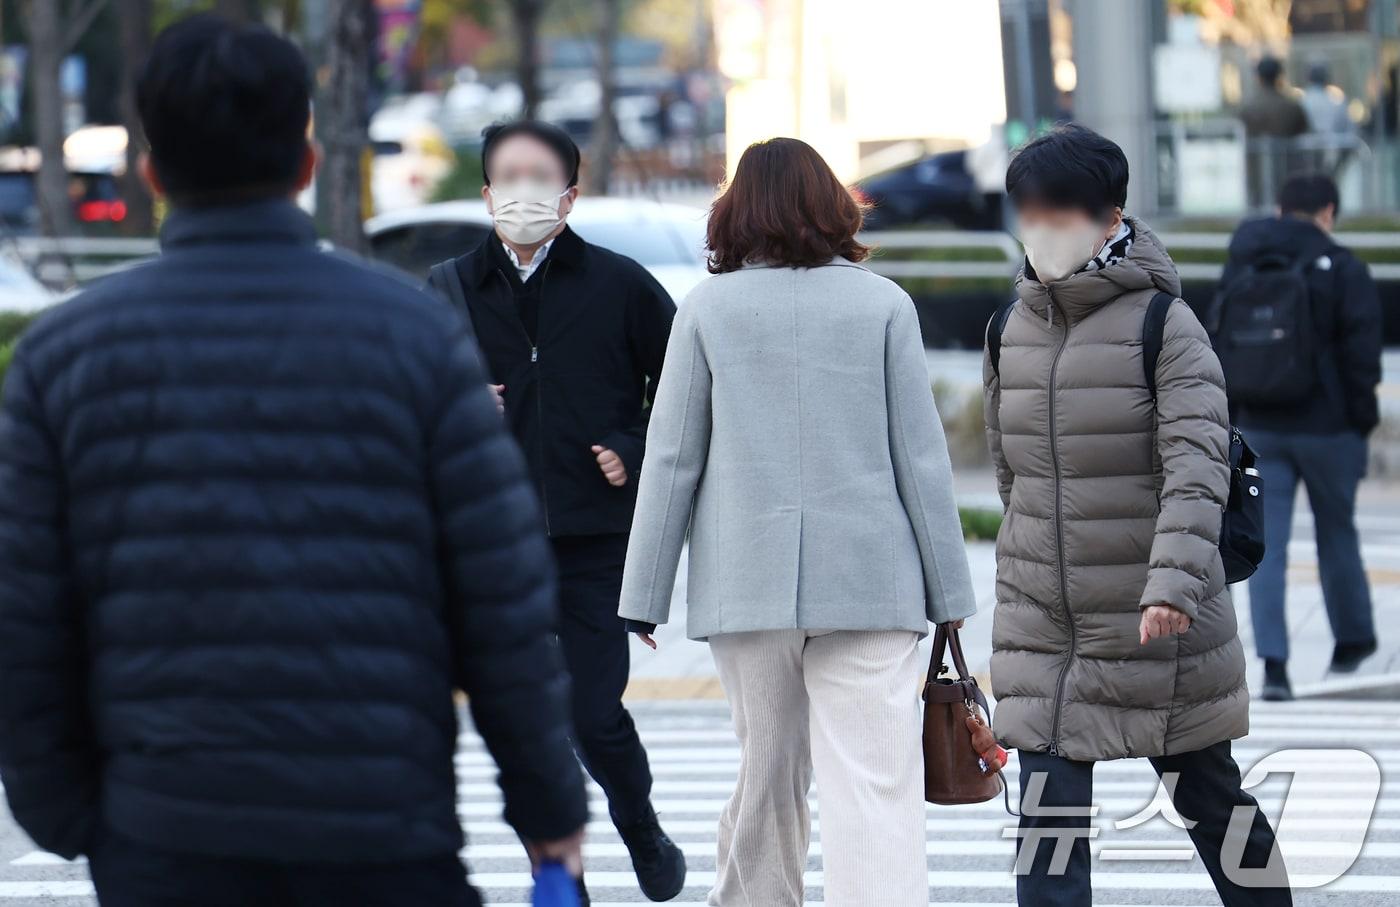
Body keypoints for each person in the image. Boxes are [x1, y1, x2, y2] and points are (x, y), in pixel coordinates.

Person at [0, 16, 588, 906]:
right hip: (383, 831)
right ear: (308, 164)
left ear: (154, 174)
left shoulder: (62, 357)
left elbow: (27, 621)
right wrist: (548, 806)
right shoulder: (416, 337)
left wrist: (76, 817)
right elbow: (500, 602)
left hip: (164, 837)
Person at [619, 137, 978, 907]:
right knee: (873, 785)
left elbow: (673, 457)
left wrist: (643, 595)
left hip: (748, 582)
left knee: (769, 775)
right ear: (833, 205)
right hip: (870, 582)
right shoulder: (884, 304)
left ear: (735, 211)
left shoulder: (707, 309)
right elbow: (921, 461)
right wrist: (949, 594)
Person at [983, 125, 1292, 907]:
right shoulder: (1008, 328)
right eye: (1029, 213)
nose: (1040, 230)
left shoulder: (1165, 324)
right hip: (1046, 630)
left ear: (1110, 217)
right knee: (1047, 831)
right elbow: (1012, 474)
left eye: (1058, 214)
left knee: (1213, 803)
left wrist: (1173, 586)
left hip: (1155, 621)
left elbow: (1198, 466)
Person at [426, 120, 683, 904]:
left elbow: (684, 392)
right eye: (509, 176)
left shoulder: (620, 284)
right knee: (526, 723)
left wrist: (631, 445)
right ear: (486, 194)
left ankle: (639, 823)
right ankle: (560, 878)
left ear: (569, 197)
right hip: (492, 542)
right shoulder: (447, 288)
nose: (523, 192)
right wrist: (460, 402)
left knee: (593, 714)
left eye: (540, 177)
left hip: (595, 540)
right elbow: (407, 404)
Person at [1222, 174, 1382, 700]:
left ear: (1279, 209)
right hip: (1331, 429)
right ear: (1329, 212)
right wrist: (1360, 421)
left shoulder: (1245, 261)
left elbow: (1218, 337)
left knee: (1266, 544)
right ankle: (1352, 642)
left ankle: (1274, 665)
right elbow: (1362, 356)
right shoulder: (1344, 268)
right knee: (1338, 532)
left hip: (1260, 424)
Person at [1241, 57, 1309, 208]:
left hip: (1256, 174)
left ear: (1258, 78)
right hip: (1287, 174)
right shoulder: (1291, 106)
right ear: (1279, 77)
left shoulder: (1248, 108)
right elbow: (1304, 131)